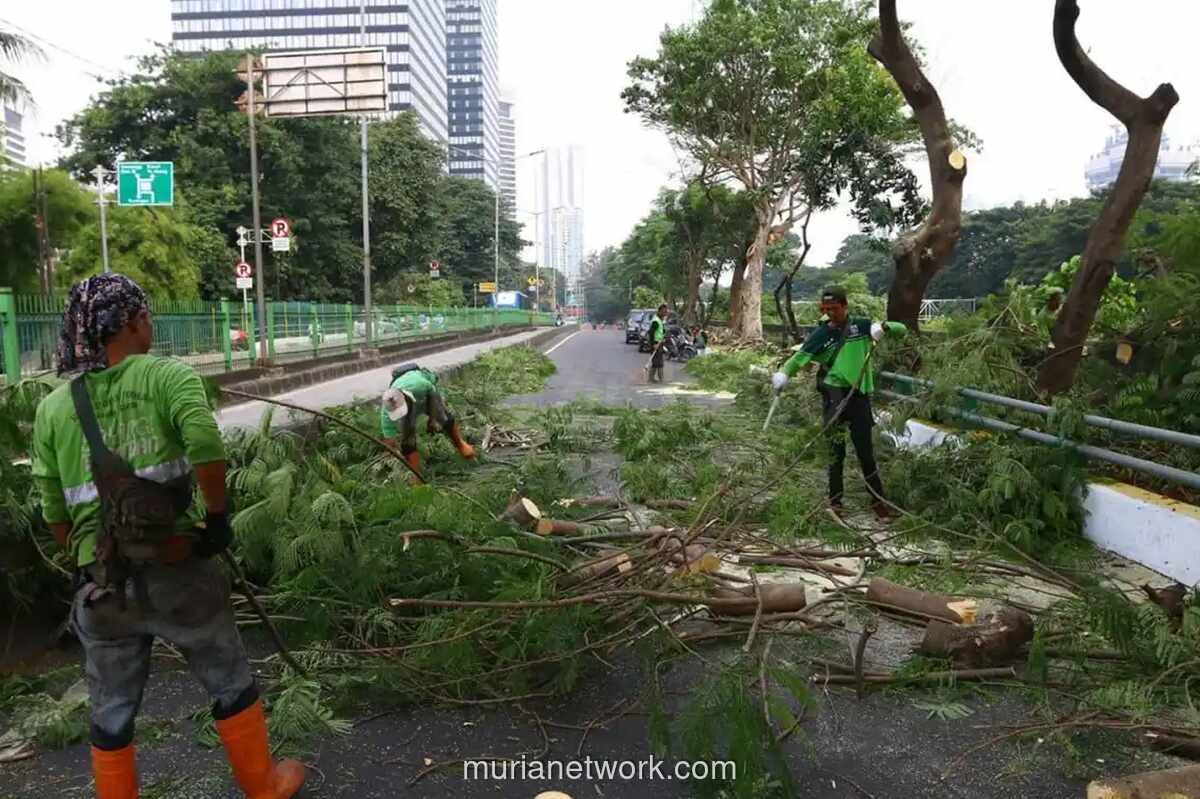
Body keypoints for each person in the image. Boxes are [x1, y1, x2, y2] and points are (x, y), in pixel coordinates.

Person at [31, 274, 304, 799]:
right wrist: (218, 521)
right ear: (132, 322)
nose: (150, 325)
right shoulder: (167, 377)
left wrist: (84, 554)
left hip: (103, 585)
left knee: (110, 706)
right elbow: (205, 446)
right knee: (226, 672)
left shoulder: (53, 408)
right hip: (178, 567)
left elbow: (52, 508)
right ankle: (264, 787)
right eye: (146, 315)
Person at [771, 286, 907, 519]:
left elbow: (901, 330)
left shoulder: (862, 326)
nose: (830, 314)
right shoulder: (821, 334)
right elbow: (799, 358)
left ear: (845, 306)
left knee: (866, 452)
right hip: (834, 395)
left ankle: (878, 503)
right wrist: (784, 374)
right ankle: (835, 502)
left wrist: (882, 328)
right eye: (825, 309)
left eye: (834, 308)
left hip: (859, 397)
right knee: (836, 452)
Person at [381, 364, 476, 473]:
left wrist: (432, 420)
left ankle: (461, 445)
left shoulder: (420, 385)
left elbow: (434, 398)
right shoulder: (389, 404)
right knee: (407, 439)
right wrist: (390, 451)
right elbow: (388, 434)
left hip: (428, 396)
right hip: (411, 403)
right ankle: (416, 475)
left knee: (445, 418)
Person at [647, 304, 669, 383]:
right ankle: (660, 379)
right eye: (663, 312)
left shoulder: (660, 320)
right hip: (656, 343)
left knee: (657, 362)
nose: (665, 313)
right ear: (659, 311)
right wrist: (653, 344)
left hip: (659, 343)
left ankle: (651, 378)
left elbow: (660, 331)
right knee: (658, 362)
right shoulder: (655, 321)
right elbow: (651, 333)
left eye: (666, 312)